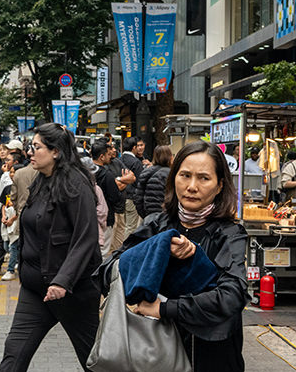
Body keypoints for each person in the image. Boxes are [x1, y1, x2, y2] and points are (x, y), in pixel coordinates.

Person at [97, 140, 249, 371]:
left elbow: (232, 296)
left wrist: (164, 309)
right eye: (185, 175)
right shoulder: (156, 225)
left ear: (219, 186)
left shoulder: (229, 234)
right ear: (173, 178)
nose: (192, 186)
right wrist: (157, 249)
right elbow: (107, 273)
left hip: (211, 357)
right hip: (153, 353)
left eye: (204, 178)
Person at [0, 123, 100, 372]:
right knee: (14, 352)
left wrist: (62, 281)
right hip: (35, 289)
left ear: (56, 151)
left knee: (94, 361)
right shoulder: (40, 180)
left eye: (36, 147)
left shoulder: (76, 184)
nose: (30, 152)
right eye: (30, 147)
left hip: (73, 292)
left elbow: (85, 237)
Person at [140, 145, 173, 219]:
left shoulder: (145, 172)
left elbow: (138, 197)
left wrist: (144, 215)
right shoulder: (171, 174)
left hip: (149, 214)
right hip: (165, 215)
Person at [120, 137, 146, 233]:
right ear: (134, 147)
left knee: (122, 226)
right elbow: (140, 182)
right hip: (132, 197)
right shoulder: (136, 162)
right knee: (131, 227)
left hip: (121, 196)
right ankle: (127, 247)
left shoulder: (119, 160)